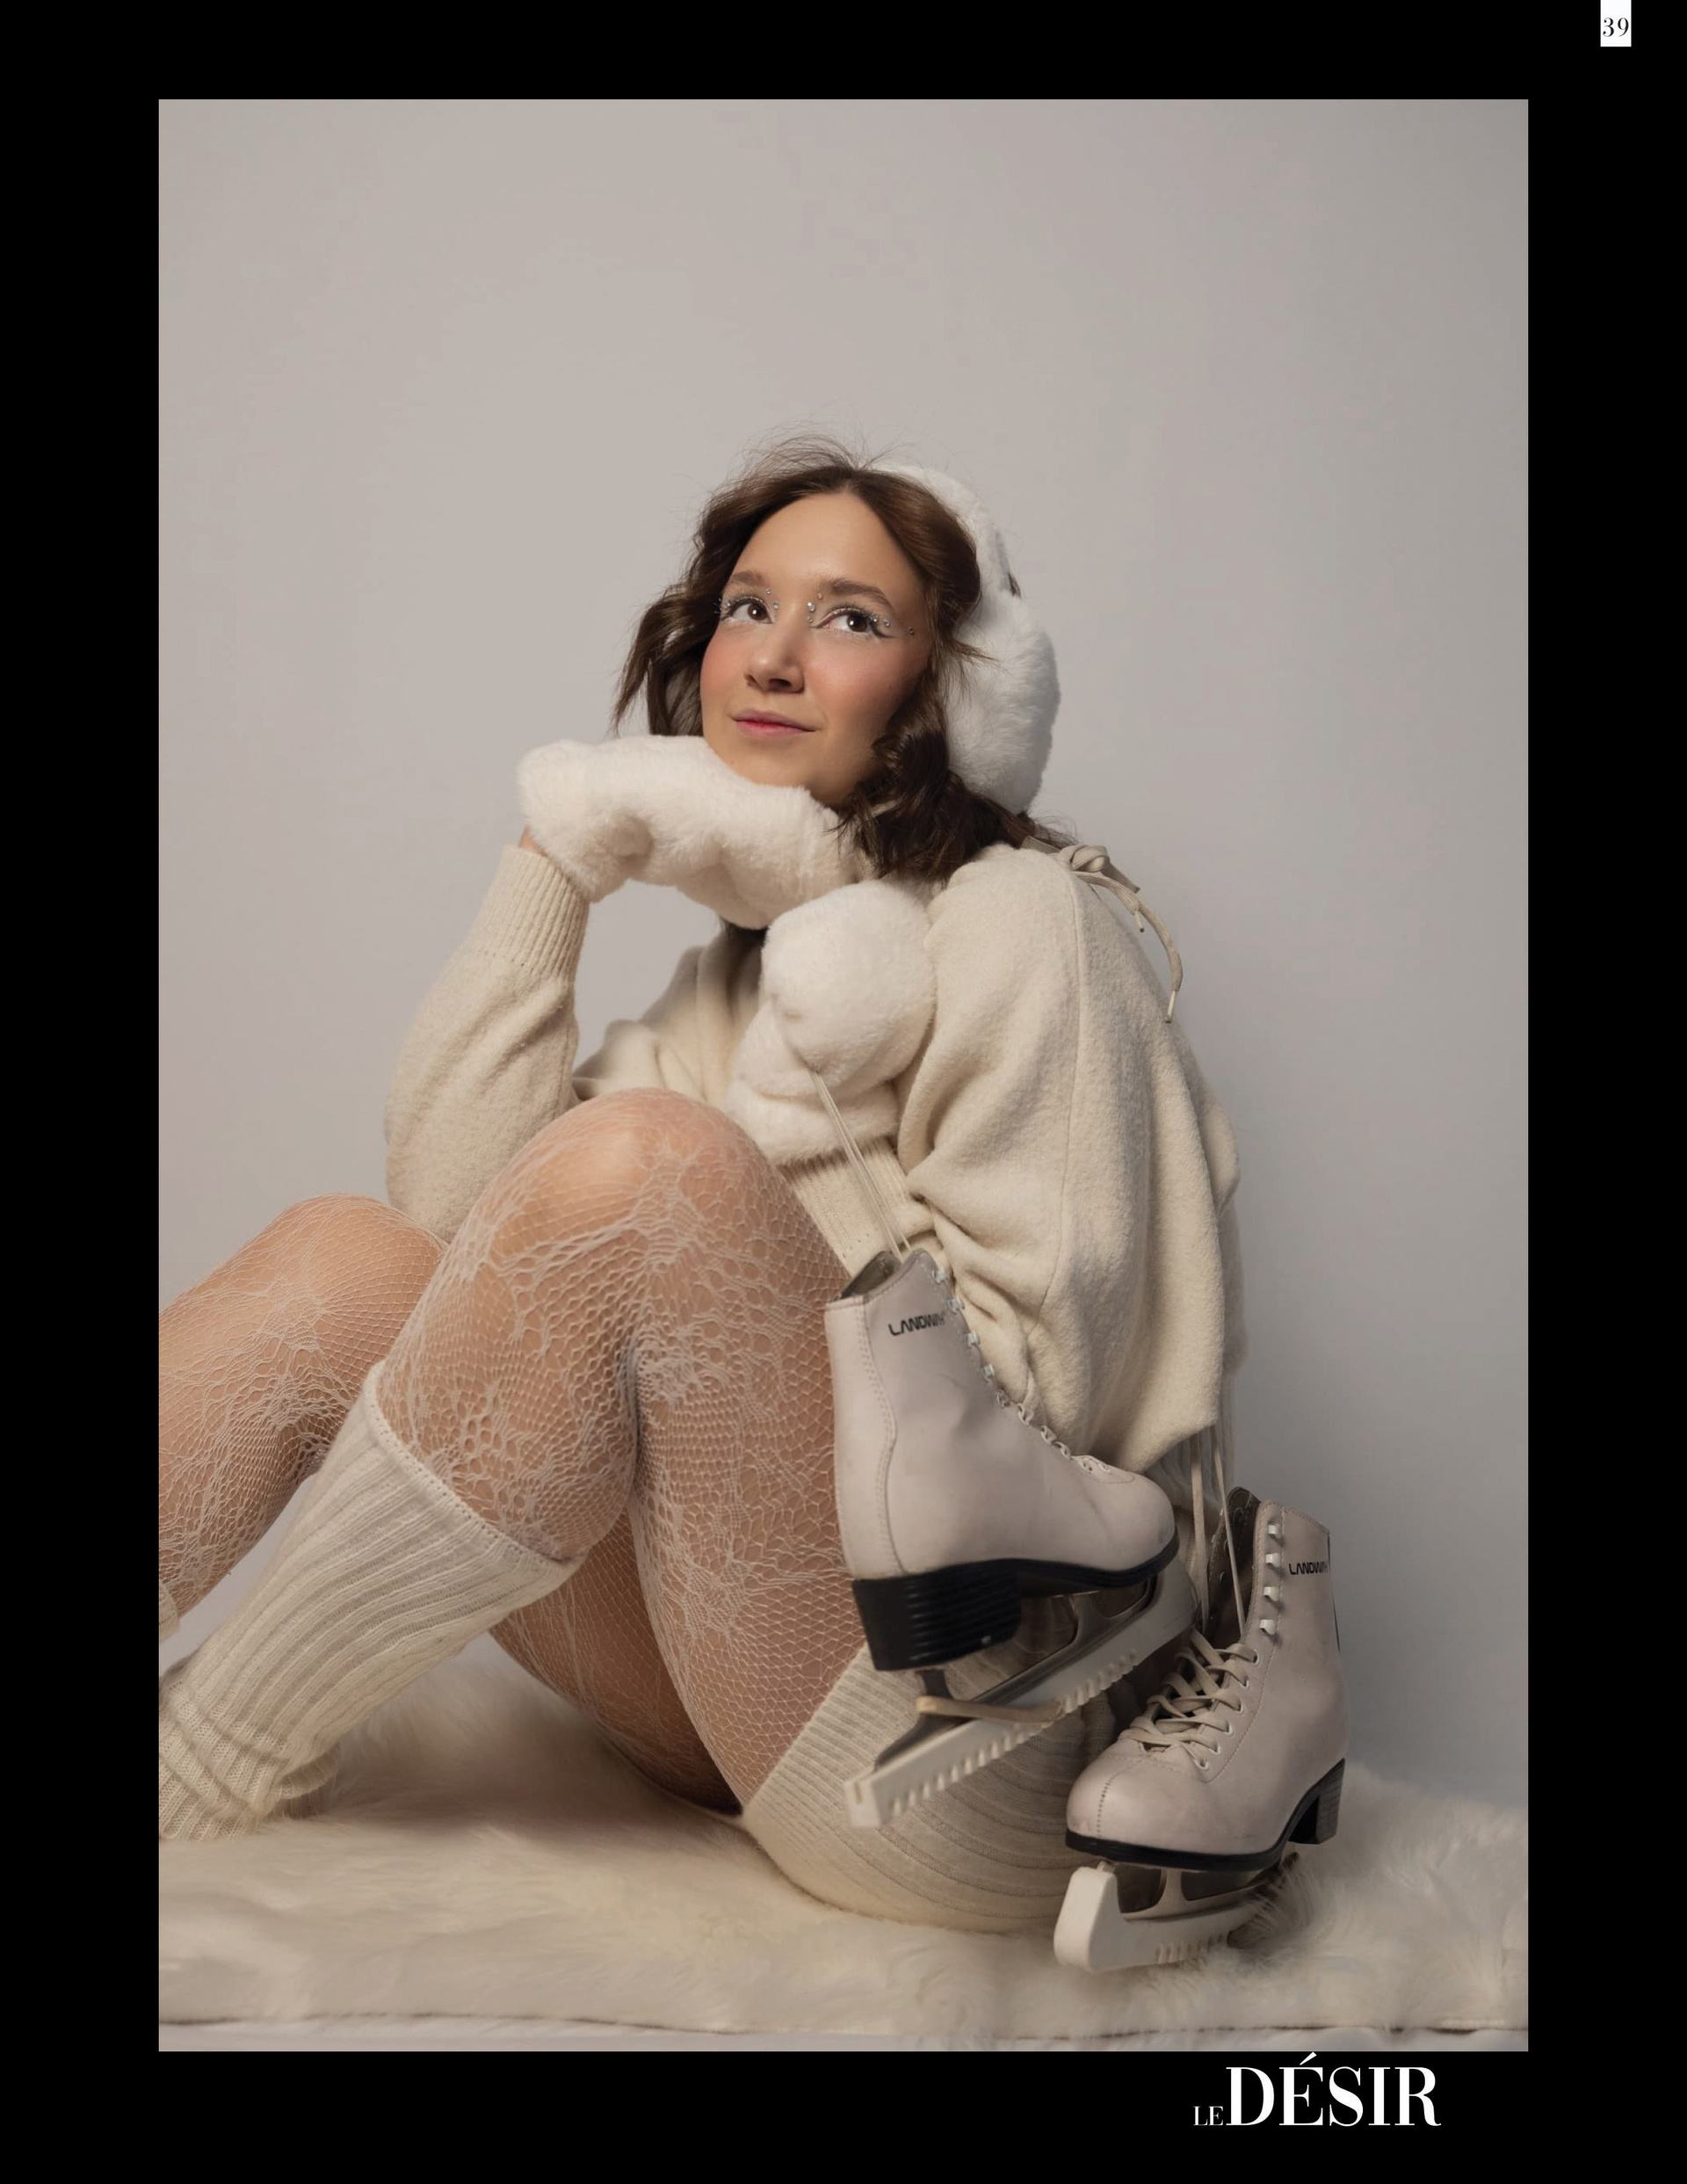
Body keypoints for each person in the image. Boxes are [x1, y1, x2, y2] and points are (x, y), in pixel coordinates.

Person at [159, 439, 1345, 1943]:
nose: (776, 655)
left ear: (955, 688)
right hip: (730, 1697)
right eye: (746, 606)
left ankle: (205, 1757)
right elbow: (459, 1247)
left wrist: (731, 1243)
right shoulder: (743, 981)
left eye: (852, 618)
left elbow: (1034, 1462)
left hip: (979, 1744)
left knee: (646, 1162)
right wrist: (557, 853)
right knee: (347, 1259)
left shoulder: (1029, 928)